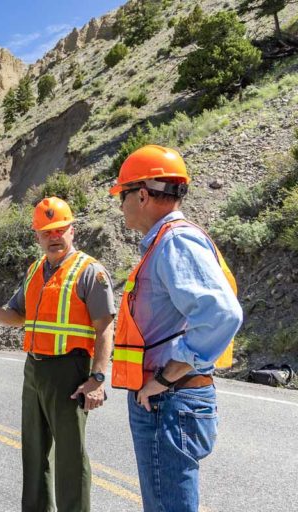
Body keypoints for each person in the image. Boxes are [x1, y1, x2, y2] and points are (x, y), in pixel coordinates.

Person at [109, 145, 243, 512]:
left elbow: (221, 315)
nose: (120, 205)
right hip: (170, 398)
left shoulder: (175, 241)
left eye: (123, 195)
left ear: (142, 194)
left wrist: (166, 377)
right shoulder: (168, 241)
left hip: (169, 399)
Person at [0, 196, 115, 512]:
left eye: (60, 229)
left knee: (70, 455)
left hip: (69, 370)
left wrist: (98, 378)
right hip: (34, 370)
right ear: (36, 236)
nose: (54, 237)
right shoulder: (35, 270)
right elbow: (18, 315)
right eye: (46, 231)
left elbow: (105, 327)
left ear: (72, 230)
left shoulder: (90, 271)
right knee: (34, 452)